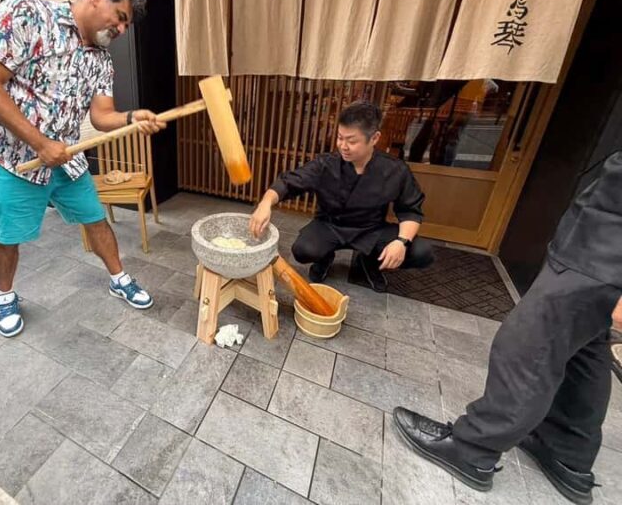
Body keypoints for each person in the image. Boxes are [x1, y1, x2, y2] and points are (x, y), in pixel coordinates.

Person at [393, 151, 622, 505]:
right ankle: (566, 450)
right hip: (600, 234)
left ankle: (472, 448)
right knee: (586, 346)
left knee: (528, 344)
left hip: (606, 253)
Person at [0, 0, 165, 338]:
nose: (121, 30)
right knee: (7, 236)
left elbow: (102, 116)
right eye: (120, 18)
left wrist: (133, 118)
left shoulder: (102, 60)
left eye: (126, 26)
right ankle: (5, 296)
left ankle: (119, 278)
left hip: (66, 155)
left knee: (95, 218)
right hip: (10, 156)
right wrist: (40, 143)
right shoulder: (27, 14)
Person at [249, 100, 433, 292]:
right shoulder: (326, 164)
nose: (343, 146)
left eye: (352, 141)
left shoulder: (395, 170)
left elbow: (410, 210)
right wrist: (265, 203)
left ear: (375, 138)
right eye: (339, 138)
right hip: (330, 225)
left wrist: (401, 242)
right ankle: (324, 258)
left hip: (371, 229)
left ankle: (368, 262)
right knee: (303, 250)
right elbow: (288, 182)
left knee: (421, 252)